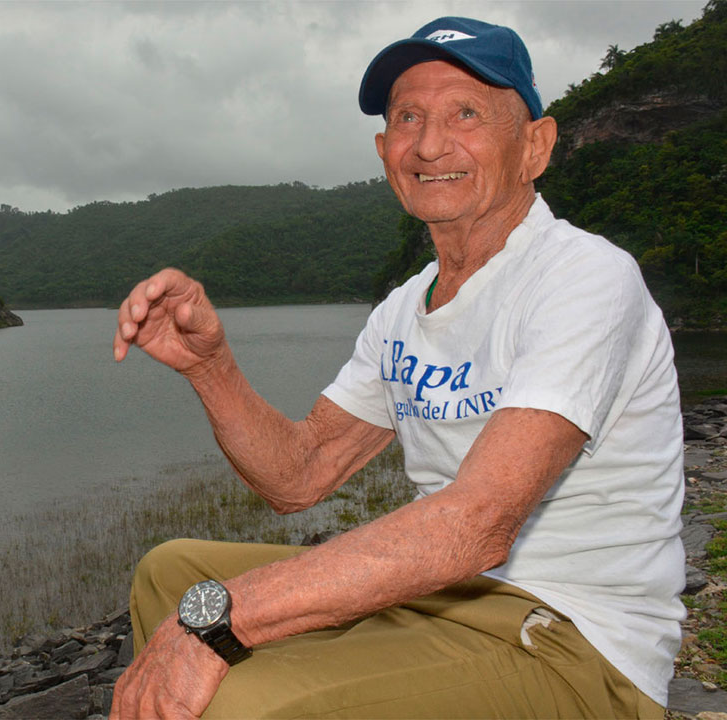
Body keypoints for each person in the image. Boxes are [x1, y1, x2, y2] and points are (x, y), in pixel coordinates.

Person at [110, 16, 684, 720]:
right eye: (408, 117)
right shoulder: (403, 310)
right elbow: (299, 474)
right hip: (441, 599)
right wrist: (211, 366)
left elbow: (478, 523)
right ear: (385, 151)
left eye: (466, 113)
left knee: (240, 697)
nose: (431, 143)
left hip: (573, 643)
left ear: (534, 144)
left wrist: (224, 618)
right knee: (169, 573)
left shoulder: (586, 278)